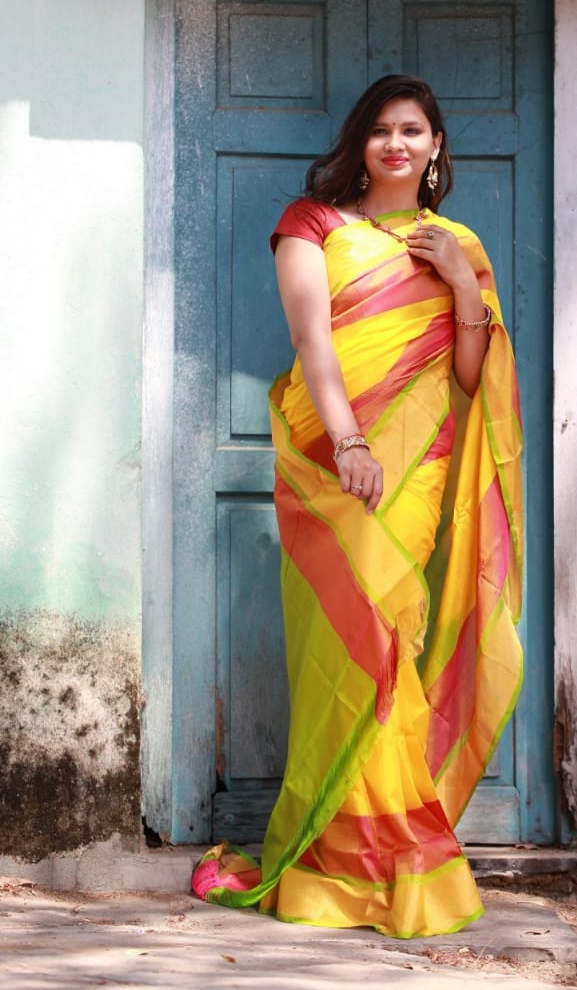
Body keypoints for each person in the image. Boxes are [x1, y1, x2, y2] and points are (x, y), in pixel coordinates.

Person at [191, 75, 523, 938]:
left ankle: (385, 856)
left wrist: (462, 286)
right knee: (347, 654)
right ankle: (352, 862)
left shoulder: (458, 244)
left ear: (436, 146)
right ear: (360, 143)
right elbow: (313, 343)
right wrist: (349, 444)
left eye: (412, 130)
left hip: (417, 470)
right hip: (334, 466)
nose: (395, 144)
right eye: (380, 130)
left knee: (389, 646)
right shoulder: (312, 224)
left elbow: (468, 379)